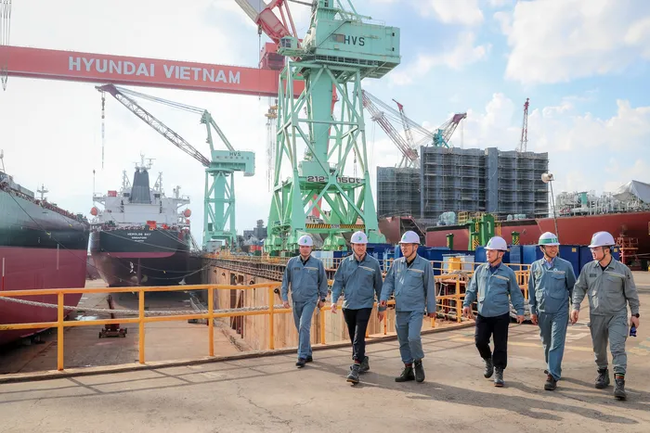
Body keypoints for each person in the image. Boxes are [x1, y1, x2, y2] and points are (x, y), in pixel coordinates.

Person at [570, 231, 641, 400]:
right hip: (596, 315)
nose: (592, 252)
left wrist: (635, 314)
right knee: (599, 350)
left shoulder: (622, 270)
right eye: (592, 249)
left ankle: (619, 381)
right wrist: (575, 307)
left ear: (607, 250)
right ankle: (603, 372)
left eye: (595, 249)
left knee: (617, 348)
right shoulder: (588, 268)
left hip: (617, 315)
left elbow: (631, 293)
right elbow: (579, 288)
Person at [462, 236, 525, 387]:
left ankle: (499, 370)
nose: (488, 253)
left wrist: (521, 310)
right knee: (479, 341)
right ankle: (488, 360)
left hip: (501, 315)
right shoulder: (480, 270)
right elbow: (472, 289)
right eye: (487, 251)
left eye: (492, 251)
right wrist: (466, 303)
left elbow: (515, 293)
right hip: (483, 314)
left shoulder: (508, 273)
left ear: (501, 253)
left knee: (500, 345)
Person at [378, 231, 435, 383]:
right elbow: (389, 282)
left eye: (407, 245)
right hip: (400, 309)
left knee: (413, 337)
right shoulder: (397, 264)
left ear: (415, 246)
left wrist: (431, 308)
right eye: (402, 245)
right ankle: (408, 368)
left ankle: (418, 362)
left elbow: (429, 287)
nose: (404, 248)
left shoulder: (424, 265)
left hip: (415, 309)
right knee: (403, 340)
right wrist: (383, 299)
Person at [331, 231, 383, 384]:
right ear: (352, 246)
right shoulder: (345, 263)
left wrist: (381, 306)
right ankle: (363, 359)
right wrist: (334, 300)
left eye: (363, 244)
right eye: (357, 245)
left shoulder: (373, 263)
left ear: (366, 245)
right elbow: (337, 283)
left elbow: (379, 286)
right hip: (348, 305)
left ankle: (355, 368)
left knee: (359, 335)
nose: (360, 247)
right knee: (354, 336)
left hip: (365, 305)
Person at [528, 232, 576, 391]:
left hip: (560, 311)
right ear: (542, 248)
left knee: (556, 343)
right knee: (546, 342)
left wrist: (574, 308)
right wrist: (532, 310)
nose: (554, 249)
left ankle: (552, 375)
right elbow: (532, 290)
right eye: (550, 246)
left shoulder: (565, 266)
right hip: (542, 311)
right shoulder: (535, 266)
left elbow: (572, 288)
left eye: (556, 246)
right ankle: (552, 366)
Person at [281, 234, 328, 368]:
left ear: (311, 248)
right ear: (299, 247)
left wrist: (322, 298)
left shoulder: (317, 263)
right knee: (300, 328)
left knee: (303, 326)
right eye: (303, 246)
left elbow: (323, 282)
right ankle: (308, 353)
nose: (305, 249)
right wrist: (284, 297)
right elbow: (285, 281)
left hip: (310, 300)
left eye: (307, 247)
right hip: (296, 300)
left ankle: (301, 356)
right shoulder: (292, 262)